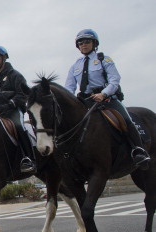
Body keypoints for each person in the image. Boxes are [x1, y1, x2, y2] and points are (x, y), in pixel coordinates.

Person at [64, 29, 150, 168]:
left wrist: (103, 94)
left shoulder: (104, 59)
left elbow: (115, 80)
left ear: (94, 43)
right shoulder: (75, 66)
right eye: (80, 43)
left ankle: (138, 150)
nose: (83, 45)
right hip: (86, 101)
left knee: (126, 119)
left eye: (87, 42)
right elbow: (69, 87)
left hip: (107, 99)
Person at [0, 45, 36, 173]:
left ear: (4, 58)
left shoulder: (15, 75)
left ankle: (28, 158)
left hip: (13, 111)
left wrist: (10, 104)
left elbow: (23, 94)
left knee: (18, 126)